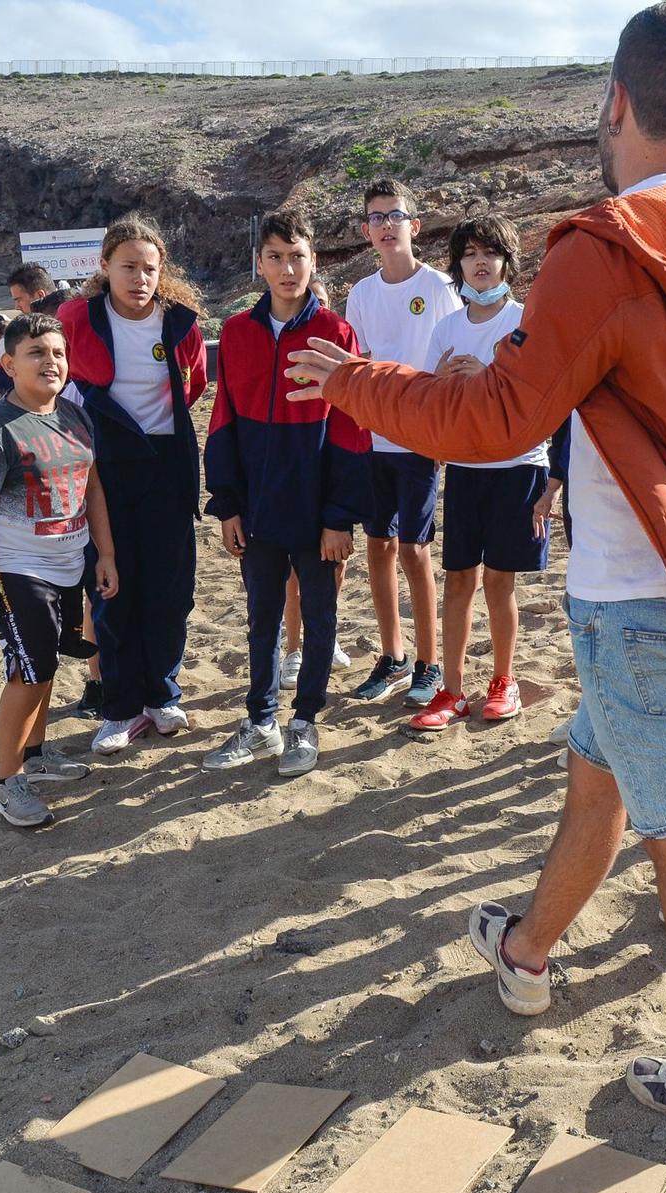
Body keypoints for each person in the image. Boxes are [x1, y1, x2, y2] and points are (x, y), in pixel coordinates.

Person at [287, 1, 666, 1141]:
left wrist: (357, 382)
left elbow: (498, 412)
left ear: (614, 103)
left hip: (633, 594)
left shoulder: (601, 249)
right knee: (595, 774)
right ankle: (525, 951)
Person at [202, 209, 371, 778]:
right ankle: (261, 722)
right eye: (275, 256)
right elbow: (223, 419)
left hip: (317, 509)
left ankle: (304, 723)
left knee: (319, 618)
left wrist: (340, 517)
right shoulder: (239, 333)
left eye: (297, 255)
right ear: (260, 265)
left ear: (313, 261)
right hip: (257, 508)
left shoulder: (336, 333)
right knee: (261, 618)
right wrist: (226, 503)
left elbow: (351, 428)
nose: (286, 267)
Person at [0, 313, 116, 829]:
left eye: (58, 353)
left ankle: (37, 754)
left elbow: (92, 489)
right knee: (28, 672)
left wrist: (105, 555)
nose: (51, 362)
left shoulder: (73, 415)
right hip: (18, 567)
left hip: (70, 562)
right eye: (36, 353)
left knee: (46, 665)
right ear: (7, 363)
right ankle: (5, 782)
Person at [55, 217, 210, 756]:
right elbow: (57, 380)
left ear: (161, 270)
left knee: (170, 589)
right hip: (105, 467)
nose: (139, 277)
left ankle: (162, 695)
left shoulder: (181, 324)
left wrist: (153, 435)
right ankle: (120, 708)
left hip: (166, 463)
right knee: (112, 588)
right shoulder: (78, 317)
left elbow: (194, 386)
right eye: (127, 266)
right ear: (104, 267)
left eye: (149, 268)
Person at [409, 216, 560, 732]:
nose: (479, 262)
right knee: (458, 580)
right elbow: (428, 400)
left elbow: (543, 398)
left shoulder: (526, 320)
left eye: (489, 253)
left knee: (500, 581)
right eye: (469, 253)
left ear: (506, 262)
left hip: (518, 467)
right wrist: (445, 382)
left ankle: (503, 680)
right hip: (466, 467)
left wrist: (489, 376)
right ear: (458, 266)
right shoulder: (446, 327)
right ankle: (450, 690)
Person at [343, 178, 460, 708]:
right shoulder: (361, 294)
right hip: (373, 440)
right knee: (379, 546)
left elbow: (452, 360)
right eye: (376, 217)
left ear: (414, 225)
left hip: (419, 438)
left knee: (415, 550)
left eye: (395, 215)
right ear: (367, 231)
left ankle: (428, 662)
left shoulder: (436, 287)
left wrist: (439, 429)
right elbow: (357, 364)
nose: (386, 225)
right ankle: (392, 656)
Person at [280, 276, 355, 690]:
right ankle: (293, 648)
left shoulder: (341, 353)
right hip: (297, 474)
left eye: (323, 304)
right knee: (295, 572)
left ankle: (325, 637)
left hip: (333, 474)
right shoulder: (290, 357)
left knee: (335, 564)